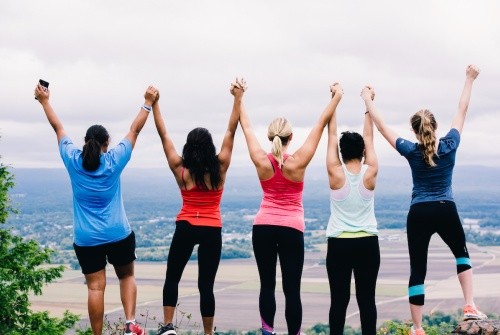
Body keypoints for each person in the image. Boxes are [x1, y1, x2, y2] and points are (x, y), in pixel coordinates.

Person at [365, 65, 486, 335]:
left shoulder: (411, 151)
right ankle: (469, 305)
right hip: (445, 208)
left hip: (418, 211)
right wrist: (468, 79)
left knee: (417, 268)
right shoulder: (450, 145)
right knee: (461, 254)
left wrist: (367, 100)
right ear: (435, 127)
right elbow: (462, 110)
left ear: (415, 130)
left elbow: (383, 128)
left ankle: (417, 328)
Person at [34, 83, 157, 335]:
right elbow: (135, 130)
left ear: (85, 142)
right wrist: (148, 102)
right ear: (106, 143)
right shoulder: (114, 160)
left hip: (86, 238)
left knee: (95, 288)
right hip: (118, 233)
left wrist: (44, 101)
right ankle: (130, 323)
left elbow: (58, 128)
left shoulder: (73, 160)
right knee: (126, 276)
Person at [238, 78, 343, 335]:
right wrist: (336, 96)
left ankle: (267, 331)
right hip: (291, 229)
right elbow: (320, 124)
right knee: (291, 289)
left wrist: (238, 97)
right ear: (290, 137)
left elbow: (247, 127)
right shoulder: (297, 163)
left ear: (269, 136)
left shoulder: (261, 160)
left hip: (262, 226)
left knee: (267, 285)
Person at [152, 80, 243, 335]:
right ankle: (208, 333)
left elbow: (164, 135)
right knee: (206, 285)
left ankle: (168, 326)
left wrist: (155, 105)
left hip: (186, 226)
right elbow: (230, 131)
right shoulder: (221, 166)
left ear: (189, 147)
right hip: (212, 229)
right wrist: (238, 98)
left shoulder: (181, 170)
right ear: (209, 146)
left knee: (172, 277)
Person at [325, 85, 380, 335]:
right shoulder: (371, 172)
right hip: (368, 242)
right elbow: (369, 138)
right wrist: (367, 104)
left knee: (339, 300)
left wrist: (334, 100)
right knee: (366, 299)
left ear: (341, 152)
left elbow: (331, 134)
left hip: (339, 244)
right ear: (362, 152)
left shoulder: (335, 173)